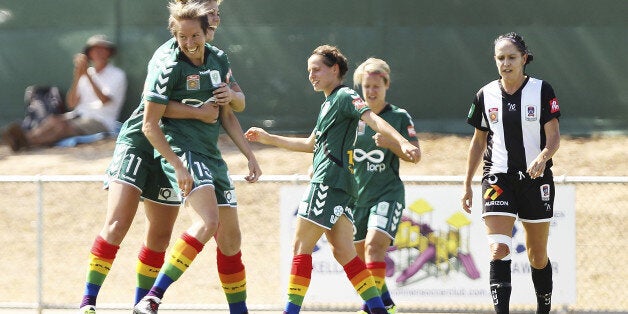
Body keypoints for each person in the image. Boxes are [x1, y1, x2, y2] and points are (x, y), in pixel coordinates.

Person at [78, 1, 260, 313]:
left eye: (217, 10)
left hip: (178, 144)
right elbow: (155, 114)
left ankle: (142, 304)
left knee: (161, 235)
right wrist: (199, 114)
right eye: (210, 8)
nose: (216, 15)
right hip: (143, 141)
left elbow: (234, 104)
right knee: (119, 222)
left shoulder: (216, 58)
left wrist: (232, 100)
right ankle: (88, 303)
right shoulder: (168, 57)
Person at [244, 45, 420, 314]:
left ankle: (290, 311)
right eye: (309, 71)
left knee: (301, 246)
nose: (311, 75)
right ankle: (379, 310)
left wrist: (400, 141)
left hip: (327, 182)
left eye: (316, 69)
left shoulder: (345, 96)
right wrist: (269, 139)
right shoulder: (329, 102)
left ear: (334, 69)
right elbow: (310, 144)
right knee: (344, 252)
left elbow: (373, 119)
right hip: (343, 186)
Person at [133, 2, 260, 313]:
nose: (188, 43)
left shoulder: (218, 59)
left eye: (194, 36)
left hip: (212, 156)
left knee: (231, 241)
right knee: (207, 221)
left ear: (207, 32)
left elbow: (228, 114)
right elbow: (150, 124)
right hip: (183, 151)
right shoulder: (169, 66)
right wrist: (176, 165)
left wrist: (249, 154)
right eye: (182, 37)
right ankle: (152, 297)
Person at [460, 32, 560, 314]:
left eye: (511, 57)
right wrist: (467, 183)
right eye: (500, 58)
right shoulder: (485, 94)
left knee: (537, 255)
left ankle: (543, 309)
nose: (506, 63)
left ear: (524, 59)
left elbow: (553, 137)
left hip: (535, 179)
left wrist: (543, 158)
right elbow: (478, 141)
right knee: (498, 249)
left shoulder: (542, 90)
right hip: (497, 177)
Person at [350, 58, 421, 314]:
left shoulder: (398, 117)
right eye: (366, 86)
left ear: (386, 84)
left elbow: (416, 155)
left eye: (376, 86)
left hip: (387, 194)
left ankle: (371, 307)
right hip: (357, 198)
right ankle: (386, 303)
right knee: (361, 257)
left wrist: (391, 143)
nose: (371, 91)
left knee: (373, 246)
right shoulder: (352, 116)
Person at [2, 34, 127, 152]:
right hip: (78, 116)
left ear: (109, 52)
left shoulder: (117, 74)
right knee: (53, 120)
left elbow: (104, 100)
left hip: (101, 121)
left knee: (63, 127)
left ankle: (26, 141)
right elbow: (72, 103)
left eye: (103, 49)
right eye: (95, 50)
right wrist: (78, 76)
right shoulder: (85, 74)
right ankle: (25, 138)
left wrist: (87, 76)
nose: (99, 53)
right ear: (89, 54)